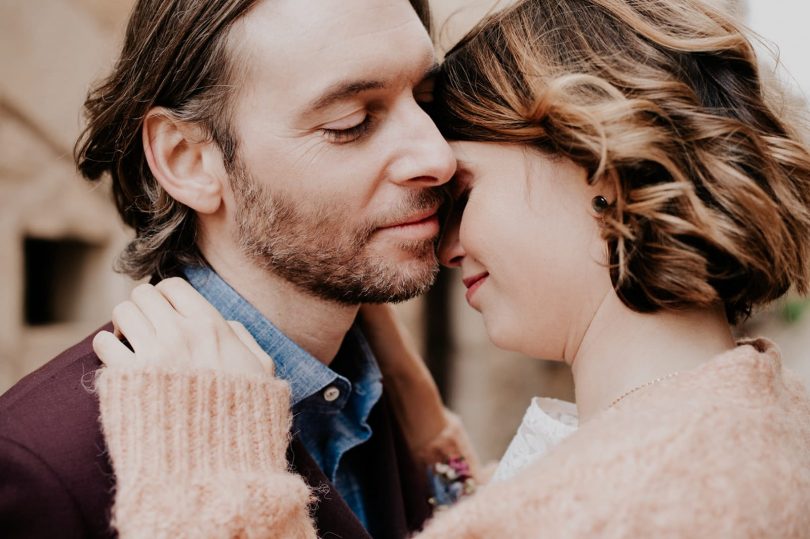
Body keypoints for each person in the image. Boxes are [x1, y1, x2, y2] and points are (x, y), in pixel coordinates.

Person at [95, 0, 810, 536]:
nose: (443, 239)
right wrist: (432, 437)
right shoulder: (760, 420)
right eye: (352, 123)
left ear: (605, 168)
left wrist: (211, 475)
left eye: (463, 190)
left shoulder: (626, 503)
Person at [0, 1, 479, 538]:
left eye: (428, 100)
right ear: (188, 159)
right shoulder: (39, 463)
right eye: (352, 123)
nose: (437, 158)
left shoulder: (389, 389)